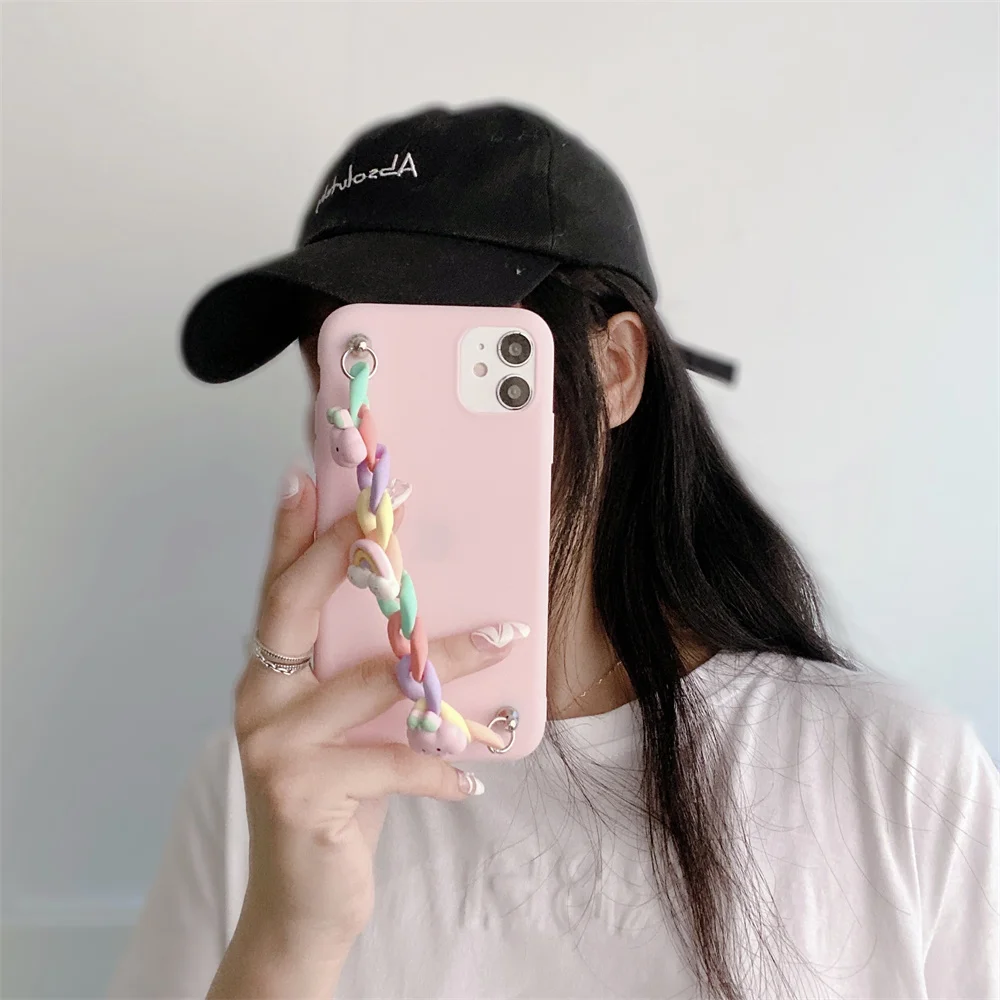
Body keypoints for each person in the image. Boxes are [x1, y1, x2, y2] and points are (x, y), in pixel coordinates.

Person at [110, 103, 998, 1000]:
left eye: (433, 356)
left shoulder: (896, 778)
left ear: (615, 369)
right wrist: (288, 939)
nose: (366, 425)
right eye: (347, 358)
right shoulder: (266, 790)